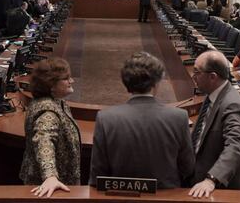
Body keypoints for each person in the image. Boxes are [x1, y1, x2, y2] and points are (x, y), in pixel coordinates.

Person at [89, 52, 194, 188]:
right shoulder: (179, 117)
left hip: (120, 196)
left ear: (126, 83)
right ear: (156, 83)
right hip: (166, 196)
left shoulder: (106, 118)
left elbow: (98, 172)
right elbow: (187, 168)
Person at [189, 50, 240, 198]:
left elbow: (236, 145)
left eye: (196, 72)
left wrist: (211, 179)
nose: (193, 76)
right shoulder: (213, 94)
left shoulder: (232, 104)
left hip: (219, 187)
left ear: (213, 77)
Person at [19, 58, 80, 198]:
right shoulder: (48, 112)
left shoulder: (56, 101)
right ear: (51, 85)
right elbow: (44, 139)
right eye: (67, 78)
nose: (72, 81)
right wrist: (50, 176)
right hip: (49, 191)